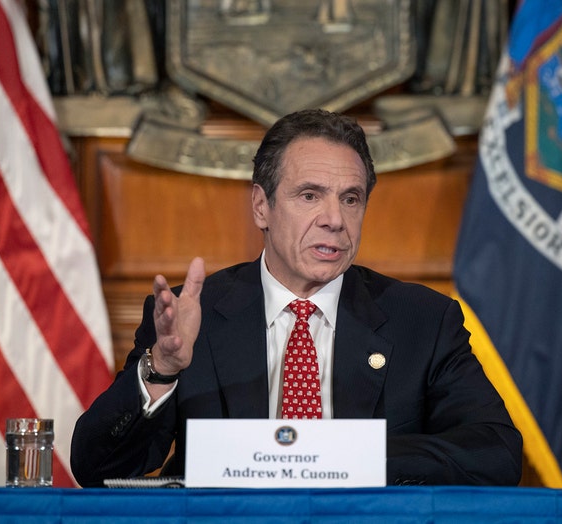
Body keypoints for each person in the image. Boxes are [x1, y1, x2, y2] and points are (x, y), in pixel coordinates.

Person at [70, 109, 522, 486]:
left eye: (351, 199)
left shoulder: (422, 320)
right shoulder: (195, 317)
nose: (334, 219)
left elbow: (496, 452)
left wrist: (339, 456)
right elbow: (97, 468)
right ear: (261, 207)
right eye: (310, 195)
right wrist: (161, 369)